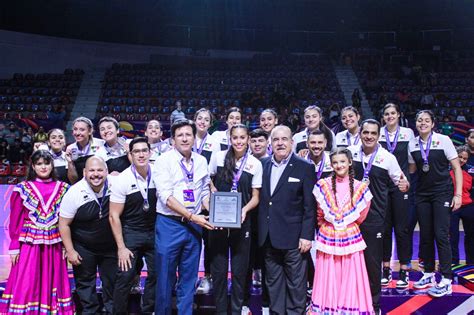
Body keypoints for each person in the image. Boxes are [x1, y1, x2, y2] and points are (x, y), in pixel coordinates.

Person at [0, 150, 74, 314]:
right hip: (29, 242)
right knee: (28, 277)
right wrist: (14, 246)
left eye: (46, 163)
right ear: (33, 166)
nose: (43, 167)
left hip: (55, 242)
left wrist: (66, 246)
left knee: (53, 277)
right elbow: (15, 220)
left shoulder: (63, 188)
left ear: (52, 165)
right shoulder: (22, 188)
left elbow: (66, 220)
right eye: (39, 164)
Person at [347, 119, 409, 314]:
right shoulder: (350, 152)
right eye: (366, 132)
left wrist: (404, 185)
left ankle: (373, 306)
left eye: (373, 133)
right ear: (361, 133)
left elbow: (403, 181)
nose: (369, 136)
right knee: (349, 262)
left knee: (372, 264)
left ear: (378, 135)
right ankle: (350, 302)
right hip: (349, 219)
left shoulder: (387, 158)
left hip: (374, 218)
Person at [154, 119, 214, 315]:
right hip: (170, 224)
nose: (185, 138)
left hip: (194, 226)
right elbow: (166, 198)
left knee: (189, 278)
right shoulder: (164, 160)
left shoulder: (201, 160)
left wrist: (215, 211)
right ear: (173, 140)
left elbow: (204, 192)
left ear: (194, 138)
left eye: (189, 134)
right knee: (165, 278)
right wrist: (192, 216)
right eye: (180, 135)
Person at [258, 125, 316, 314]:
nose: (280, 143)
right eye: (276, 140)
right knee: (273, 286)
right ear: (270, 143)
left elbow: (310, 205)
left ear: (292, 142)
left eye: (284, 139)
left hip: (294, 239)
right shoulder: (263, 164)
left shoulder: (305, 167)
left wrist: (307, 236)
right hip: (269, 238)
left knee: (295, 287)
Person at [310, 148, 374, 314]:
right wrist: (329, 226)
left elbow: (362, 214)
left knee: (350, 273)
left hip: (350, 236)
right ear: (331, 165)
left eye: (342, 161)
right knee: (328, 272)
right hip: (328, 235)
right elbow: (319, 213)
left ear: (350, 162)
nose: (339, 165)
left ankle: (348, 308)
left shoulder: (360, 187)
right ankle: (328, 308)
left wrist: (345, 225)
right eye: (335, 162)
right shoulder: (322, 185)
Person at [208, 124, 262, 315]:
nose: (238, 141)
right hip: (218, 222)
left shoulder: (255, 164)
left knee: (240, 272)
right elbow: (209, 180)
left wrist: (245, 210)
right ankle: (221, 311)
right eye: (235, 138)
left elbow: (256, 196)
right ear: (230, 139)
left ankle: (238, 309)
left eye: (242, 138)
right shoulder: (218, 157)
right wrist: (212, 191)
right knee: (219, 271)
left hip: (242, 221)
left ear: (248, 139)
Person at [409, 110, 462, 297]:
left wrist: (458, 194)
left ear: (433, 124)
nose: (422, 123)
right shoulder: (412, 144)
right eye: (419, 120)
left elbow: (456, 167)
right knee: (425, 235)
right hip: (422, 195)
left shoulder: (443, 140)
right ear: (416, 124)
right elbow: (413, 169)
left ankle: (446, 278)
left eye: (426, 120)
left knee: (441, 234)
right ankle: (429, 273)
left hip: (442, 193)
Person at [59, 156, 117, 314]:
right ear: (84, 172)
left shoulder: (116, 184)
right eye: (91, 170)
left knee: (112, 285)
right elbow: (63, 224)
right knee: (85, 287)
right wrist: (70, 250)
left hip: (110, 247)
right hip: (84, 247)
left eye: (100, 170)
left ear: (106, 172)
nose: (96, 174)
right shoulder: (74, 192)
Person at [109, 137, 158, 314]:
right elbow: (114, 216)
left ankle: (148, 311)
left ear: (150, 152)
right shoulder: (122, 179)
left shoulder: (158, 174)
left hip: (154, 232)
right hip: (131, 232)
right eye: (136, 151)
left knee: (157, 274)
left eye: (144, 150)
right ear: (130, 155)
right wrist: (121, 247)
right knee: (125, 276)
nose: (141, 154)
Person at [378, 103, 415, 289]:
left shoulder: (407, 133)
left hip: (401, 187)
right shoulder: (378, 133)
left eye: (393, 113)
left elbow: (412, 163)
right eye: (387, 114)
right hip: (383, 187)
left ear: (399, 115)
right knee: (384, 229)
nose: (390, 116)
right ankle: (385, 269)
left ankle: (404, 270)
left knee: (402, 230)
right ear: (383, 117)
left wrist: (404, 179)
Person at [193, 108, 219, 295]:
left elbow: (212, 172)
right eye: (199, 118)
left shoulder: (214, 142)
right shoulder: (186, 136)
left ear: (211, 123)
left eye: (206, 119)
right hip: (186, 195)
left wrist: (208, 191)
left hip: (206, 193)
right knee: (190, 239)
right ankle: (190, 275)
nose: (202, 121)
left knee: (209, 240)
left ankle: (207, 276)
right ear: (194, 120)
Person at [449, 145, 474, 265]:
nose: (462, 160)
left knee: (471, 236)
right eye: (460, 157)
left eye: (465, 158)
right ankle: (454, 261)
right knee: (453, 236)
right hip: (452, 207)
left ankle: (471, 263)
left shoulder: (471, 171)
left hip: (468, 206)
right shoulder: (446, 170)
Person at [66, 117, 104, 183]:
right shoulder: (70, 148)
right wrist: (70, 162)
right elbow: (73, 180)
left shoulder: (101, 144)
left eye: (82, 130)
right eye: (75, 129)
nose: (77, 133)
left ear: (90, 131)